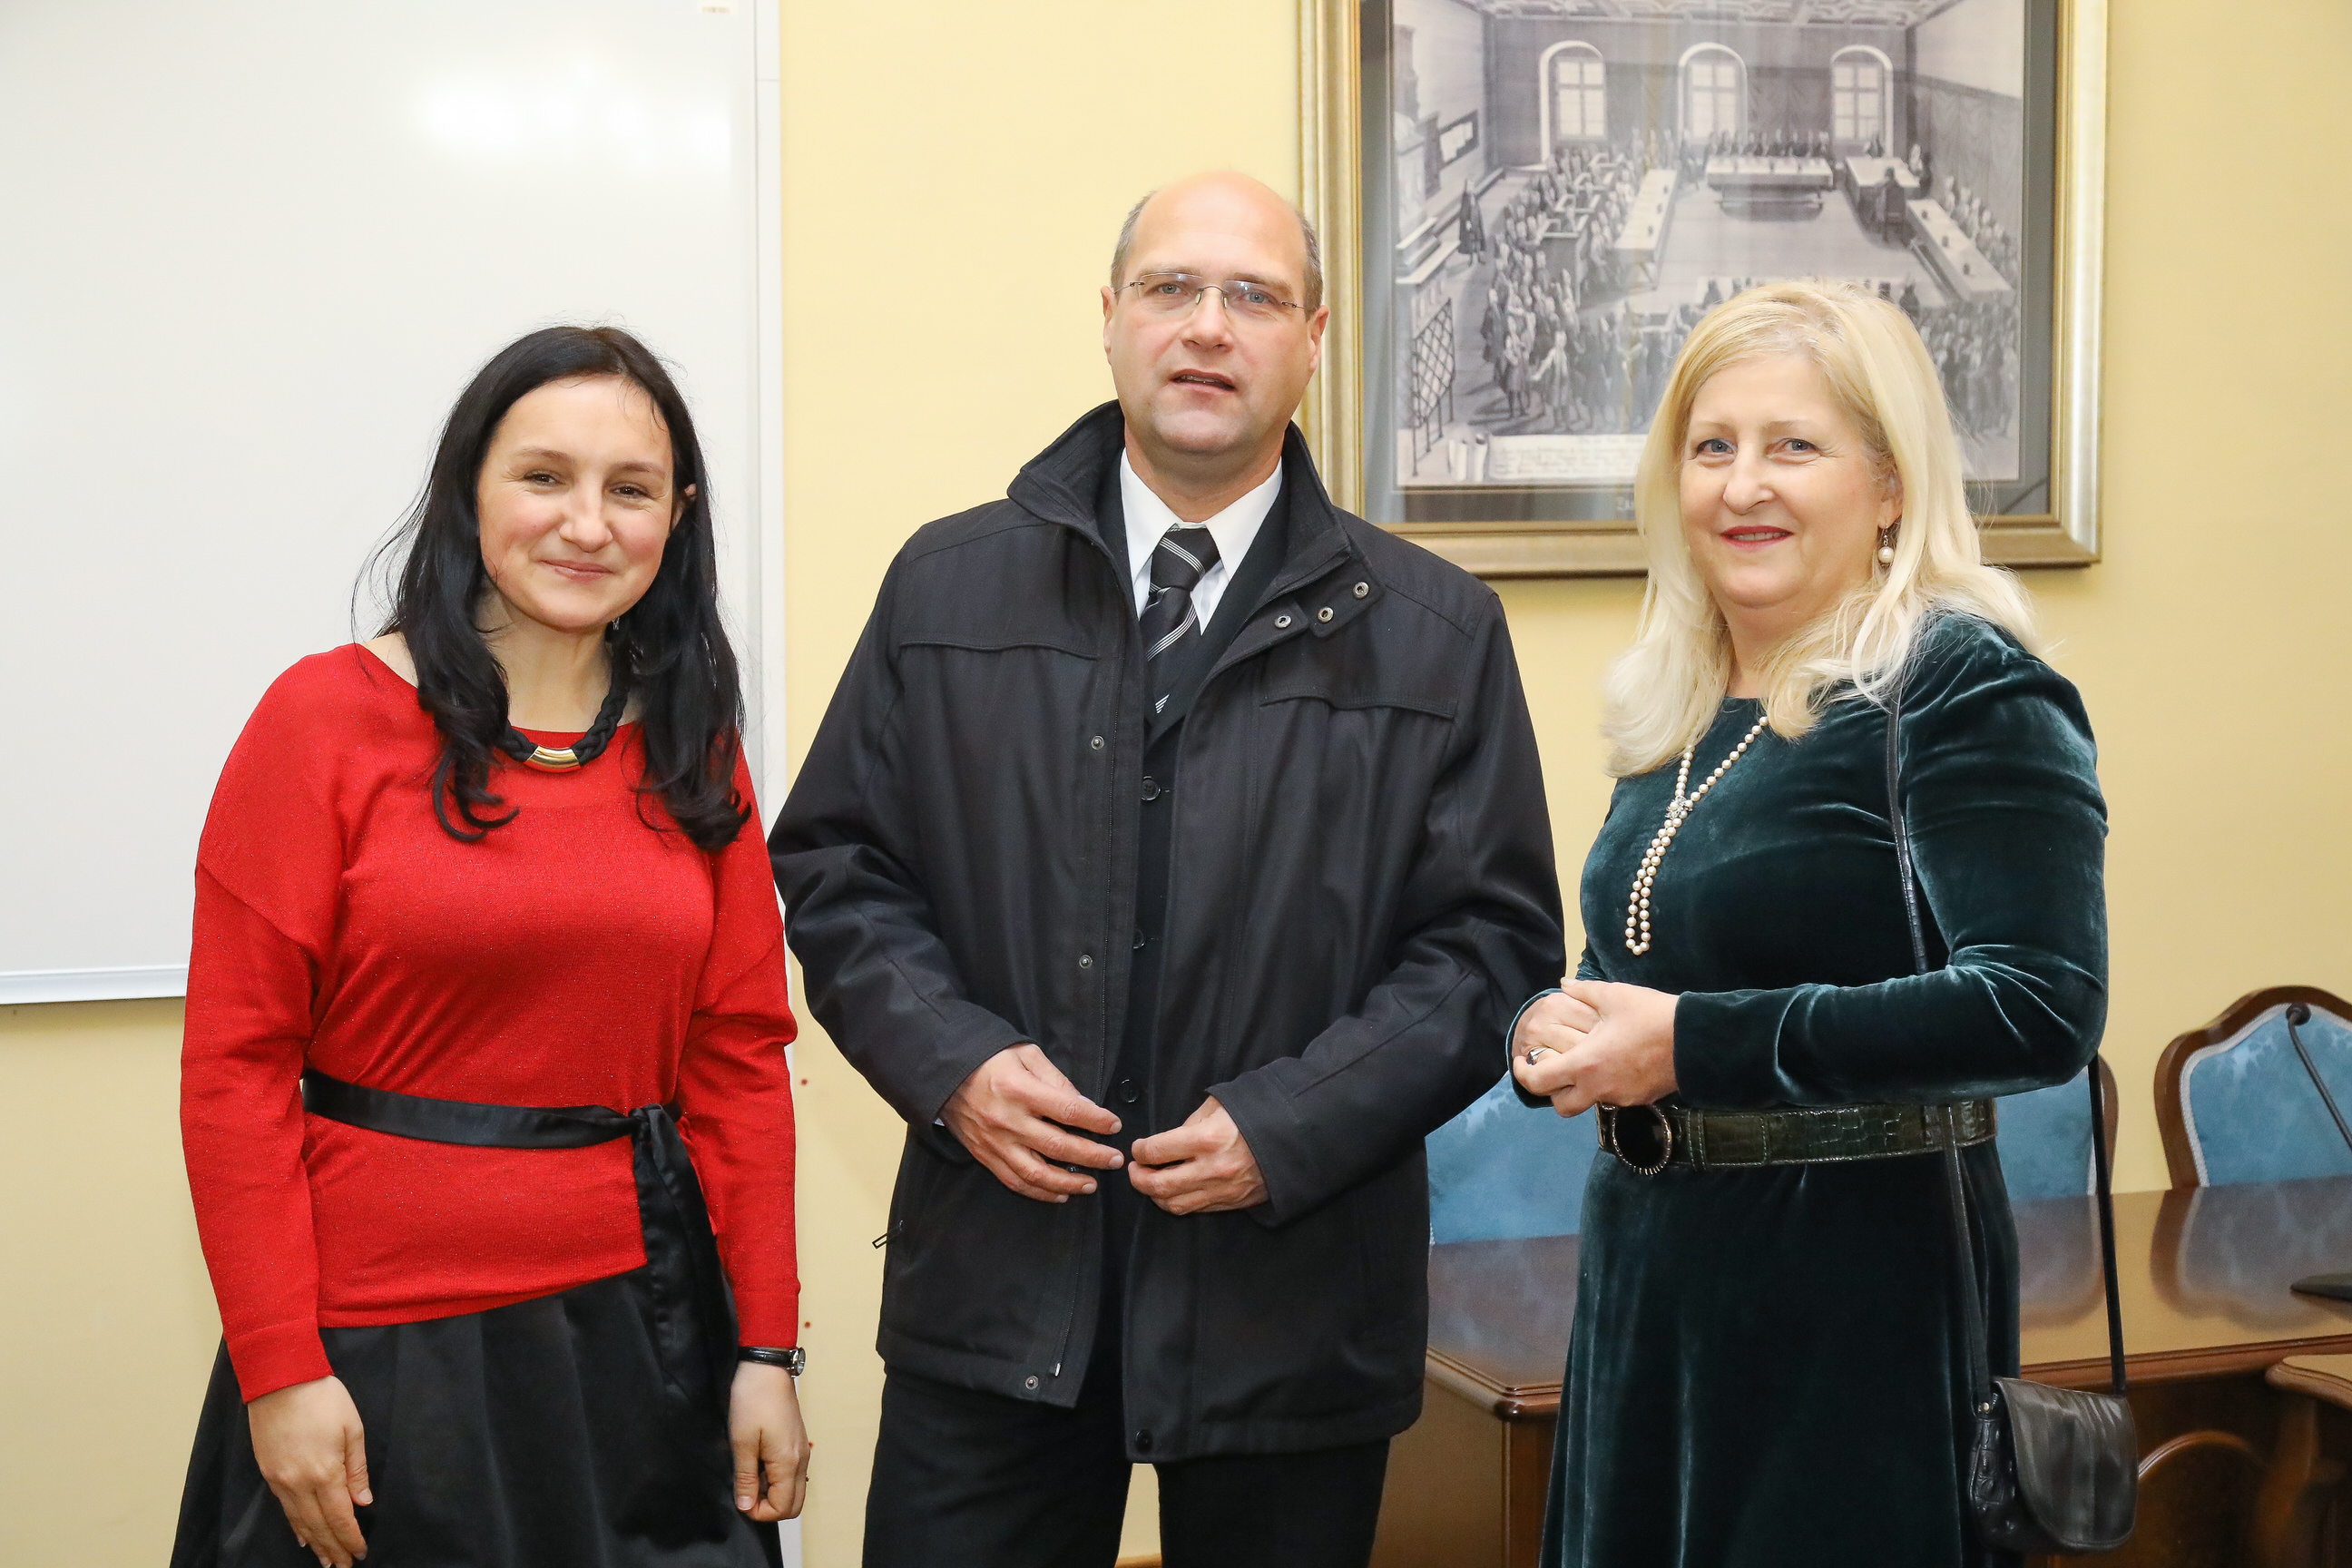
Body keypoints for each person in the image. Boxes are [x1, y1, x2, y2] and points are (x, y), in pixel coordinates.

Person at [770, 172, 1562, 1568]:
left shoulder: (1436, 632)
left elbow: (1489, 949)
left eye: (1253, 295)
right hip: (1000, 1282)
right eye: (1171, 288)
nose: (1207, 326)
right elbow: (839, 869)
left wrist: (1290, 1124)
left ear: (1313, 338)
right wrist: (954, 1065)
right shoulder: (946, 587)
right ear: (1109, 318)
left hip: (1294, 1294)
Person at [172, 327, 808, 1568]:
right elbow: (234, 1073)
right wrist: (278, 1366)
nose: (587, 524)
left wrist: (766, 1350)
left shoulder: (695, 746)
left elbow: (739, 1065)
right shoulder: (322, 720)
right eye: (544, 477)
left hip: (648, 1341)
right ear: (471, 491)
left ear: (678, 518)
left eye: (631, 490)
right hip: (379, 1358)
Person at [1508, 279, 2106, 1566]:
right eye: (1711, 447)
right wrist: (1556, 1022)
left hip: (1855, 1290)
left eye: (1793, 446)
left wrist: (1691, 1045)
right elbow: (1642, 959)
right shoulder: (1676, 695)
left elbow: (2040, 1004)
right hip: (1653, 1277)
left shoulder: (1959, 683)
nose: (1743, 486)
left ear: (1888, 485)